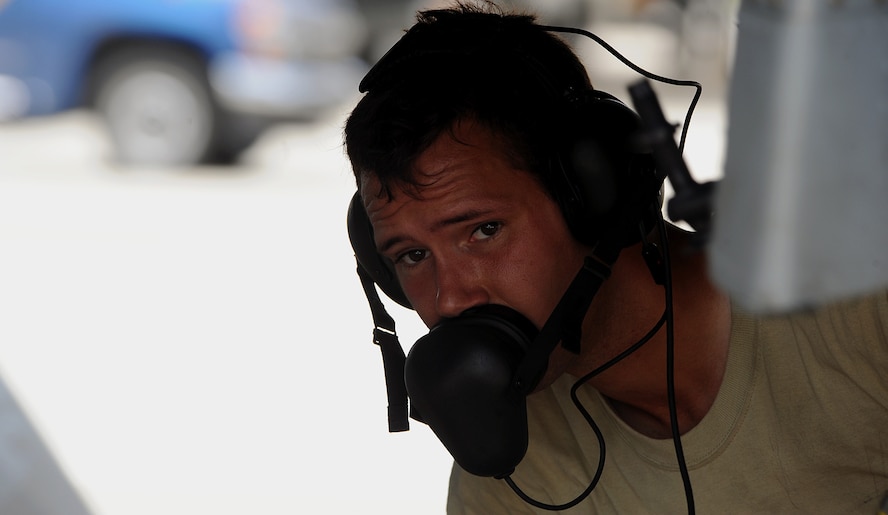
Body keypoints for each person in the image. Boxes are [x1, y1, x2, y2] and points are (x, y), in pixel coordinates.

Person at [343, 2, 888, 513]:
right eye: (412, 255)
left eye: (484, 231)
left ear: (597, 194)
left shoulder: (858, 304)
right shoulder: (522, 473)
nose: (450, 299)